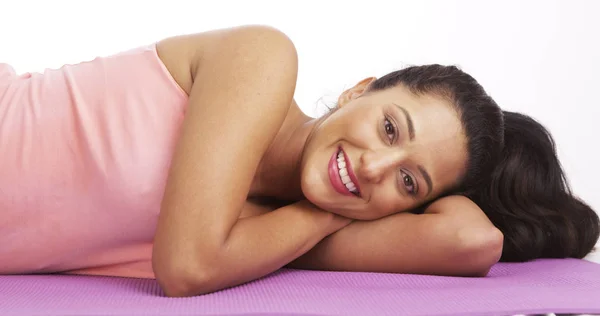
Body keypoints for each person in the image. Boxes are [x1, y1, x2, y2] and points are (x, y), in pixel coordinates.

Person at [0, 25, 597, 297]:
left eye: (408, 180)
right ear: (358, 89)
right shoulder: (262, 60)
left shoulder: (262, 232)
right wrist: (344, 212)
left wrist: (342, 211)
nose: (373, 168)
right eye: (389, 127)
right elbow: (186, 268)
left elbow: (472, 242)